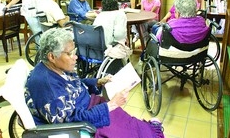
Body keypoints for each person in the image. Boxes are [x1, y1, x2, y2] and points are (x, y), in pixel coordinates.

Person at [24, 28, 165, 138]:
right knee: (123, 129)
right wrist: (111, 104)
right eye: (70, 54)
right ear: (51, 56)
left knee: (125, 121)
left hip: (89, 105)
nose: (76, 57)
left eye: (75, 51)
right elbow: (69, 121)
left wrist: (98, 82)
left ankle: (146, 130)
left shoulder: (54, 67)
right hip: (83, 121)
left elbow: (73, 85)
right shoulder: (46, 84)